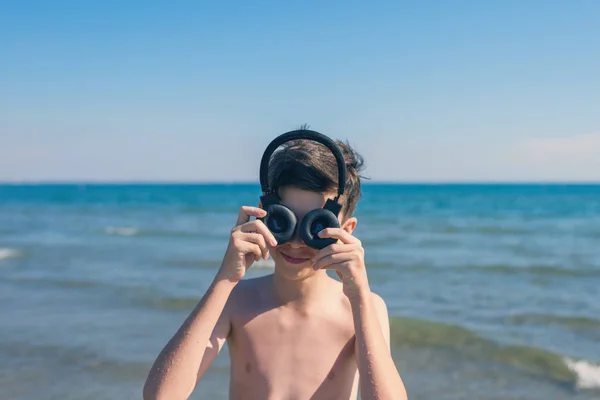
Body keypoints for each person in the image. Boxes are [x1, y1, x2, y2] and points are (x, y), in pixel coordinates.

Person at [143, 129, 407, 400]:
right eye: (284, 221)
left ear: (346, 232)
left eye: (315, 227)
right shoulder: (237, 301)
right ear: (262, 216)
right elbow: (160, 396)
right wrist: (225, 279)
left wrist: (359, 296)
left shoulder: (364, 308)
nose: (295, 242)